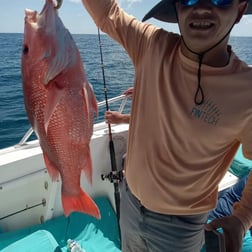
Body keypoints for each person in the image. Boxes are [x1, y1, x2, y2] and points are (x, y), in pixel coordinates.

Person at [81, 0, 252, 251]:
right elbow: (107, 13)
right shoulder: (152, 45)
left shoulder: (246, 92)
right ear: (177, 9)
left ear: (239, 10)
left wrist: (242, 218)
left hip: (180, 229)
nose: (202, 8)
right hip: (128, 203)